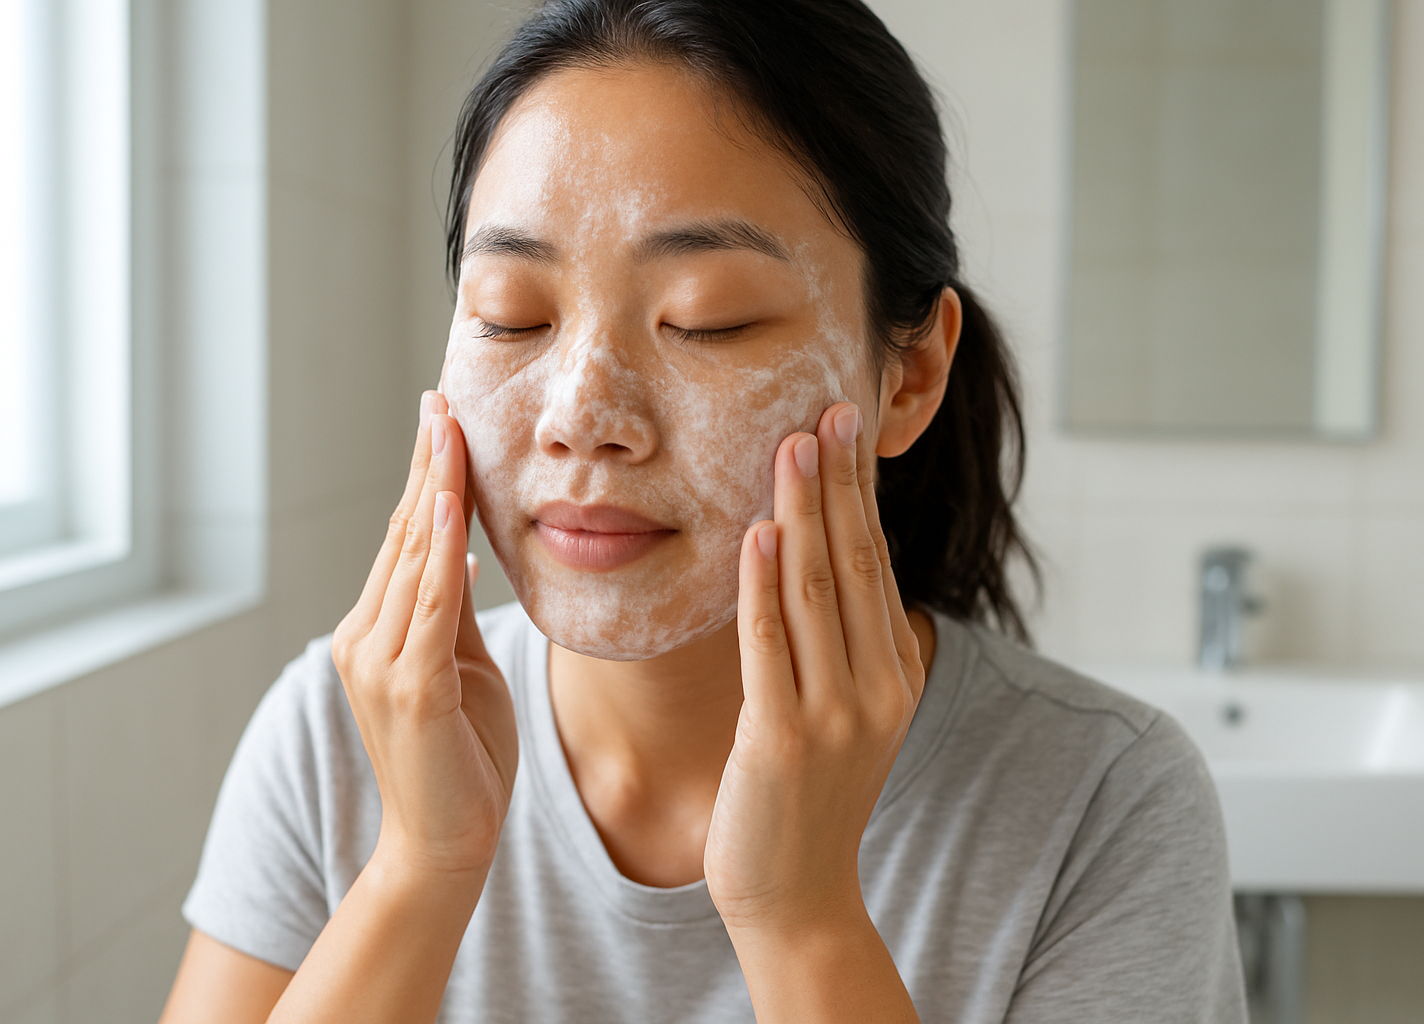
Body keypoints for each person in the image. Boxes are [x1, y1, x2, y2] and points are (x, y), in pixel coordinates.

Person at [160, 2, 1247, 1021]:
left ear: (908, 376)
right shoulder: (333, 741)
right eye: (511, 315)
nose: (583, 416)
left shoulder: (1108, 804)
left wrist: (801, 913)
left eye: (708, 322)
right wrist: (418, 870)